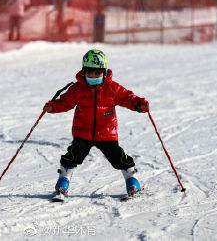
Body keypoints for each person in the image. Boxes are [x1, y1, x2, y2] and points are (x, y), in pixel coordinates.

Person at [43, 49, 149, 199]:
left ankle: (132, 180)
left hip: (106, 133)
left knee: (118, 157)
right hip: (83, 132)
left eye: (97, 73)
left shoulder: (112, 88)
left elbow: (127, 98)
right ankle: (63, 181)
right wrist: (53, 107)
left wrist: (139, 104)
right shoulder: (78, 89)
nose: (93, 76)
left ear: (104, 73)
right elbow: (65, 102)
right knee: (73, 156)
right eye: (90, 73)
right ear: (84, 71)